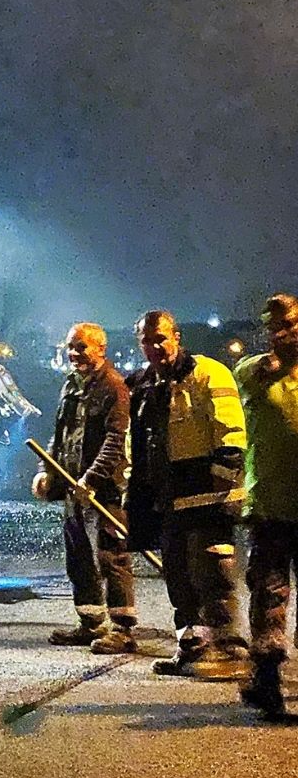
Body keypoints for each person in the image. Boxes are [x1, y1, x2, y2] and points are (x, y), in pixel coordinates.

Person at [126, 310, 248, 676]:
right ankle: (193, 646)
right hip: (168, 497)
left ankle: (230, 648)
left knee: (213, 570)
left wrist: (224, 477)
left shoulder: (208, 373)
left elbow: (231, 432)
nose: (155, 346)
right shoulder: (144, 386)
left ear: (177, 337)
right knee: (178, 575)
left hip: (207, 495)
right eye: (147, 341)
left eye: (161, 338)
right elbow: (139, 442)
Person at [33, 323, 137, 653]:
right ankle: (91, 623)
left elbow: (114, 440)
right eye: (71, 347)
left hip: (104, 489)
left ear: (100, 349)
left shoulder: (114, 387)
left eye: (81, 347)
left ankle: (122, 631)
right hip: (72, 489)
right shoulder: (70, 386)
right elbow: (59, 436)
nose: (74, 353)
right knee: (78, 557)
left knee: (111, 557)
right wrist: (46, 471)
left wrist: (90, 479)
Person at [235, 293, 298, 717]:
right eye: (274, 327)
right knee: (269, 591)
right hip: (273, 503)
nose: (283, 333)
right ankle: (267, 680)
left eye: (290, 324)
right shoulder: (255, 371)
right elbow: (258, 371)